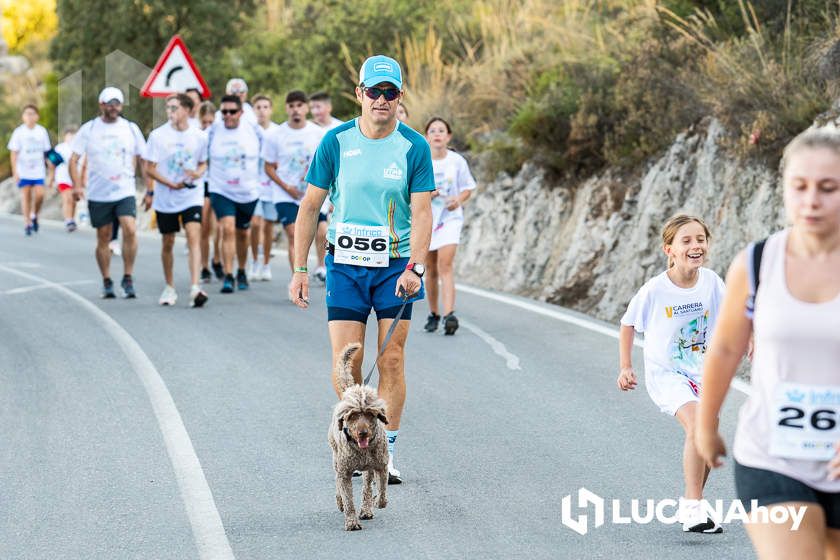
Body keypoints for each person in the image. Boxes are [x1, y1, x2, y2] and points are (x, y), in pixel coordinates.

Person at [696, 129, 840, 558]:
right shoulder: (757, 262)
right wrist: (706, 425)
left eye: (827, 188)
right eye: (799, 187)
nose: (810, 201)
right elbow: (724, 349)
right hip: (771, 455)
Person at [290, 55, 434, 484]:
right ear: (360, 94)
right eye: (374, 91)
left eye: (390, 93)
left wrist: (417, 267)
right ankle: (357, 439)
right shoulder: (335, 142)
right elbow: (310, 206)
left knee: (390, 359)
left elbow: (424, 213)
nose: (382, 100)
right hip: (346, 265)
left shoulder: (414, 146)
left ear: (400, 97)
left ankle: (385, 452)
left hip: (395, 267)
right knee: (346, 364)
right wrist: (299, 268)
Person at [617, 214, 725, 533]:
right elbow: (627, 323)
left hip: (704, 372)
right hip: (668, 374)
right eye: (686, 241)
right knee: (698, 426)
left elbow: (734, 312)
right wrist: (626, 366)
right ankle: (692, 506)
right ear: (670, 250)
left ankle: (694, 503)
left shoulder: (711, 282)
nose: (695, 245)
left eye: (700, 239)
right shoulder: (655, 290)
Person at [70, 87, 146, 299]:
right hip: (99, 193)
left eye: (117, 103)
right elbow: (73, 159)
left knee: (130, 229)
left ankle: (128, 277)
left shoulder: (130, 128)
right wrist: (77, 185)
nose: (114, 107)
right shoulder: (90, 129)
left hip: (124, 189)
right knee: (103, 237)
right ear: (101, 105)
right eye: (110, 103)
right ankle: (106, 280)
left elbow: (144, 159)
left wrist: (150, 189)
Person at [143, 93, 209, 308]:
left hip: (191, 195)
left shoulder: (199, 136)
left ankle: (195, 287)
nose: (170, 111)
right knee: (168, 241)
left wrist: (198, 174)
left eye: (175, 107)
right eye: (168, 107)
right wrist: (169, 184)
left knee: (193, 235)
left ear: (187, 110)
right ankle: (169, 287)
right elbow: (149, 168)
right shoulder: (158, 136)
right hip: (167, 197)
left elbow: (203, 163)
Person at [262, 90, 325, 291]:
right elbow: (269, 167)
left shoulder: (319, 134)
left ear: (306, 108)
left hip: (313, 193)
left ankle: (321, 267)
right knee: (293, 234)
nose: (295, 109)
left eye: (299, 105)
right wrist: (286, 187)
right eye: (291, 106)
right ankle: (297, 279)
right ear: (287, 109)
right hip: (285, 194)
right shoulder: (276, 135)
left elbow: (327, 164)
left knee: (322, 232)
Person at [423, 117, 477, 335]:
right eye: (433, 130)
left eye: (441, 130)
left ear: (448, 136)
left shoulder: (456, 161)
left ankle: (449, 314)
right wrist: (428, 193)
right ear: (426, 136)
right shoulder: (421, 159)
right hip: (427, 219)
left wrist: (458, 200)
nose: (437, 134)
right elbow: (410, 190)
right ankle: (434, 313)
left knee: (445, 265)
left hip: (450, 220)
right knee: (430, 270)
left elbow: (468, 187)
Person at [207, 94, 262, 294]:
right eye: (224, 112)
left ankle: (241, 270)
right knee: (227, 229)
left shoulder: (253, 130)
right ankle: (228, 275)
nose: (228, 115)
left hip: (247, 191)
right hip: (220, 189)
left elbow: (267, 154)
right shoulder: (214, 131)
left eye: (232, 111)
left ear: (241, 112)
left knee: (242, 233)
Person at [309, 91, 344, 282]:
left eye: (319, 107)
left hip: (338, 186)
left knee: (335, 228)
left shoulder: (340, 129)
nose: (316, 111)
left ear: (328, 107)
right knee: (321, 228)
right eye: (312, 107)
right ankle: (321, 265)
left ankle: (337, 265)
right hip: (319, 184)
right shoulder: (308, 129)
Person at [248, 94, 281, 281]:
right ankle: (254, 260)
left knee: (268, 225)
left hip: (271, 186)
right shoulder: (249, 131)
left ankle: (266, 263)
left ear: (271, 110)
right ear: (253, 111)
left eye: (265, 107)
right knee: (254, 224)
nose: (261, 110)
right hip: (252, 185)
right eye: (258, 107)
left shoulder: (277, 132)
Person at [8, 104, 52, 236]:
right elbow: (14, 153)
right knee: (26, 196)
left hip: (38, 170)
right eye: (27, 113)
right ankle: (27, 222)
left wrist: (51, 172)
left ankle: (34, 215)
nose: (30, 116)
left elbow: (47, 153)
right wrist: (15, 171)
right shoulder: (19, 132)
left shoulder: (41, 131)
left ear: (37, 116)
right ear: (23, 116)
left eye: (32, 113)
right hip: (24, 170)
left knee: (40, 195)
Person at [197, 100, 223, 282]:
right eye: (203, 122)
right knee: (204, 227)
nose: (207, 126)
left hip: (218, 184)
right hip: (203, 184)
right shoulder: (197, 137)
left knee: (220, 228)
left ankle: (217, 260)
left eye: (210, 122)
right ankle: (204, 266)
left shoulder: (220, 137)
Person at [51, 125, 80, 232]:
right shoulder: (60, 148)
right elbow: (52, 164)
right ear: (65, 137)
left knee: (74, 200)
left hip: (75, 179)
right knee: (67, 198)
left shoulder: (80, 149)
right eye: (70, 136)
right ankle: (68, 220)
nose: (72, 138)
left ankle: (72, 218)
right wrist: (52, 179)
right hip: (63, 178)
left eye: (74, 136)